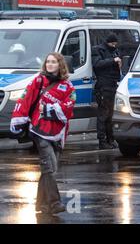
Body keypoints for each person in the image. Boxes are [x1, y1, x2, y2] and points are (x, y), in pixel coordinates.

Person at [10, 52, 76, 214]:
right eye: (48, 62)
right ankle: (55, 203)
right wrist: (18, 119)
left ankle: (41, 205)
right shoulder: (38, 80)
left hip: (58, 133)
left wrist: (48, 109)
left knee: (48, 170)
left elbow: (69, 108)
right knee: (50, 167)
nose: (50, 65)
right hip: (39, 130)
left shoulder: (68, 86)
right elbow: (25, 99)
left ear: (60, 65)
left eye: (54, 62)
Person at [92, 33, 122, 149]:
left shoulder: (115, 51)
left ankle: (111, 139)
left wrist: (119, 64)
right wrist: (113, 60)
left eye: (116, 44)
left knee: (110, 115)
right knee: (103, 115)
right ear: (108, 42)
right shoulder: (98, 50)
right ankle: (102, 141)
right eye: (112, 44)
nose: (114, 46)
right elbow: (97, 64)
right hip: (103, 87)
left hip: (113, 85)